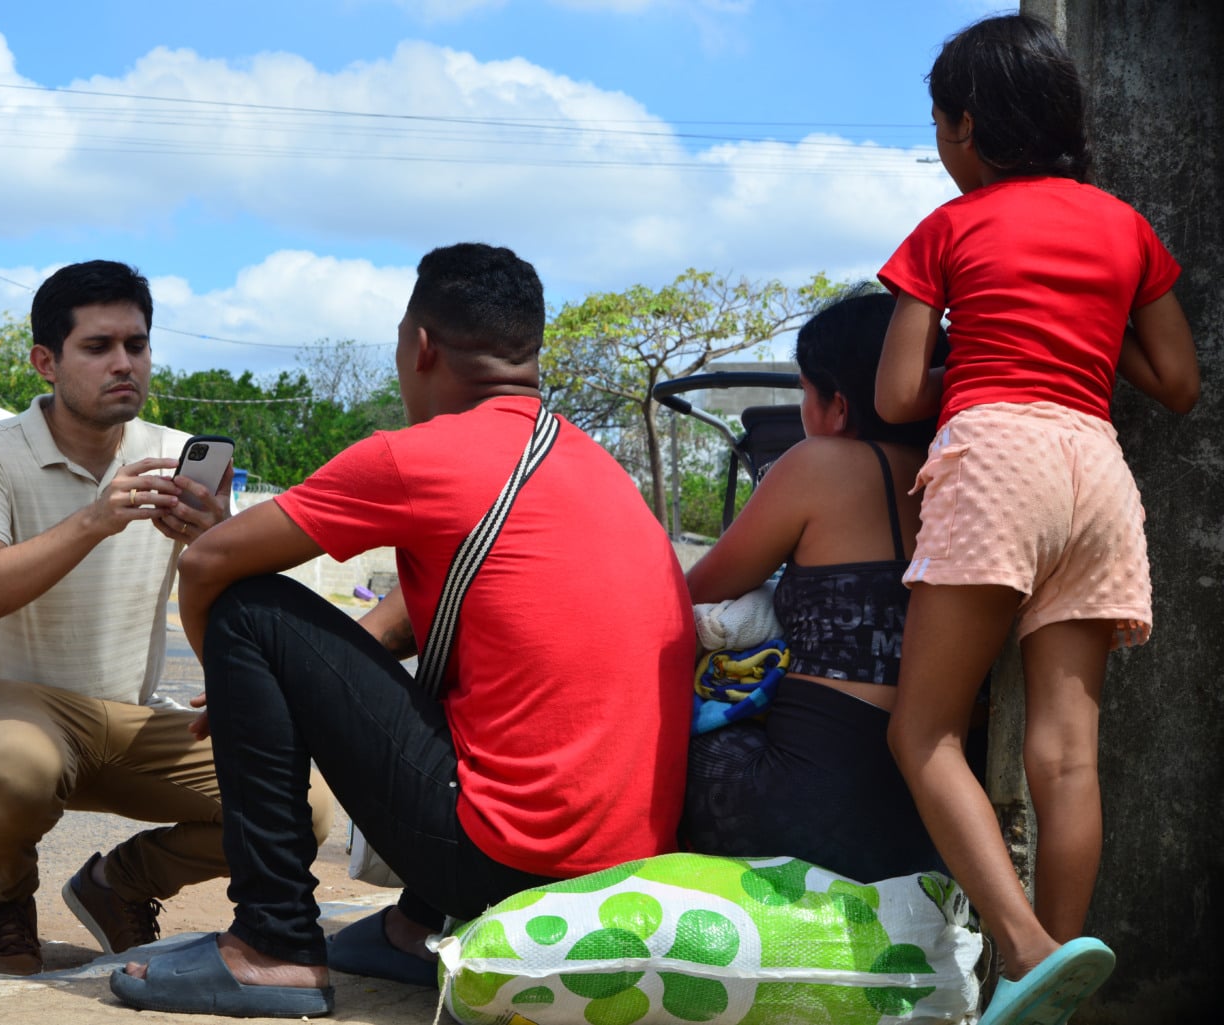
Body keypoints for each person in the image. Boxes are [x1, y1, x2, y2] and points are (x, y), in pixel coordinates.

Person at [109, 242, 696, 1018]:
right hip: (616, 866)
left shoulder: (419, 457)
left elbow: (209, 566)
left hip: (504, 861)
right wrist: (268, 693)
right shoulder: (590, 466)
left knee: (250, 610)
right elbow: (382, 639)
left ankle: (273, 944)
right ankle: (419, 928)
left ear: (420, 346)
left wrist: (231, 672)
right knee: (479, 702)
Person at [874, 15, 1200, 1025]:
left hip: (997, 454)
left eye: (939, 122)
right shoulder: (1124, 227)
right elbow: (1178, 383)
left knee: (922, 730)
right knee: (1066, 750)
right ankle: (1047, 986)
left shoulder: (949, 226)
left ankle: (1020, 946)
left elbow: (892, 395)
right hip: (1095, 469)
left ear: (965, 125)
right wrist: (1087, 345)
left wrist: (972, 337)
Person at [0, 259, 332, 980]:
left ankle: (120, 883)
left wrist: (215, 540)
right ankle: (6, 900)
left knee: (303, 802)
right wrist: (94, 519)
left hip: (131, 713)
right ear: (45, 361)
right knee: (16, 767)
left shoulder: (172, 456)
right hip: (9, 709)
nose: (125, 363)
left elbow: (230, 591)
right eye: (98, 346)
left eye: (137, 345)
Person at [679, 287, 971, 883]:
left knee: (674, 740)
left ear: (837, 405)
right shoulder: (965, 475)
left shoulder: (819, 465)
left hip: (798, 801)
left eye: (807, 392)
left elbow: (695, 590)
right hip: (924, 821)